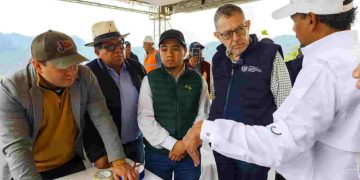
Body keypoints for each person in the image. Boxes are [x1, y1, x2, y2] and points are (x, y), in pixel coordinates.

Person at [183, 0, 360, 180]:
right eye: (227, 34)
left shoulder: (322, 68)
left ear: (311, 20)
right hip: (231, 149)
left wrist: (207, 129)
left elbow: (281, 140)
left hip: (260, 150)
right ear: (218, 36)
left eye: (294, 20)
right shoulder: (351, 57)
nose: (293, 29)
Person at [0, 30, 137, 180]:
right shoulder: (12, 89)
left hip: (70, 163)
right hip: (30, 168)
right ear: (38, 66)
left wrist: (118, 160)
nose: (72, 72)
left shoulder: (85, 76)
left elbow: (102, 117)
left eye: (74, 64)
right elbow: (17, 146)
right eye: (62, 66)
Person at [196, 4, 291, 180]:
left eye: (240, 29)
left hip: (253, 147)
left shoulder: (269, 55)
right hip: (222, 144)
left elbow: (286, 106)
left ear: (247, 24)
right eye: (227, 34)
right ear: (217, 36)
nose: (236, 38)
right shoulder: (217, 59)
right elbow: (216, 96)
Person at [137, 29, 210, 180]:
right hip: (157, 154)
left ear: (184, 51)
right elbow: (145, 118)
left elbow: (203, 115)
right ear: (160, 52)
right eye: (164, 49)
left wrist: (186, 144)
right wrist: (173, 145)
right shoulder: (150, 80)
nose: (169, 54)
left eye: (175, 48)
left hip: (190, 153)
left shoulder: (197, 80)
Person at [83, 21, 146, 169]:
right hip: (106, 150)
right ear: (97, 52)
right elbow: (85, 118)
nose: (118, 49)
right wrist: (97, 153)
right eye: (110, 47)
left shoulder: (136, 68)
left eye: (120, 44)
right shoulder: (88, 74)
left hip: (136, 143)